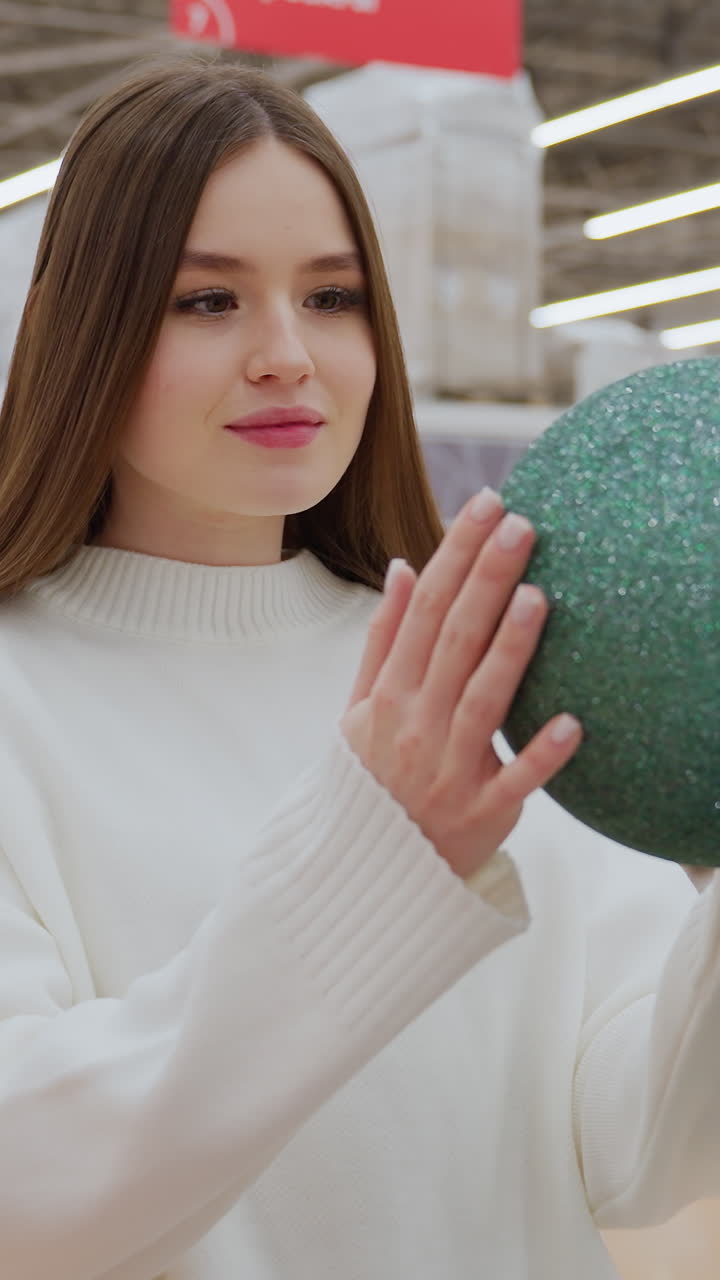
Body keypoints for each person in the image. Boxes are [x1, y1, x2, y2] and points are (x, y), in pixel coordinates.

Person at [0, 54, 716, 1280]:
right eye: (206, 301)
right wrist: (379, 860)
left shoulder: (479, 670)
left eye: (332, 299)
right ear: (90, 327)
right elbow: (30, 1193)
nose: (287, 353)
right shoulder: (23, 696)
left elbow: (632, 1149)